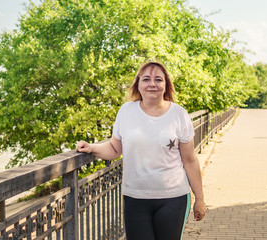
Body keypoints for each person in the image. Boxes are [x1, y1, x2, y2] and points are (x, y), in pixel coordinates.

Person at [76, 61, 207, 240]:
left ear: (166, 85)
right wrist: (91, 148)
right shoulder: (126, 111)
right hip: (135, 197)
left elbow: (190, 160)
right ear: (138, 84)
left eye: (158, 79)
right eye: (146, 79)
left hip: (173, 197)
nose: (152, 84)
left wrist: (200, 199)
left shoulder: (179, 115)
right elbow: (115, 148)